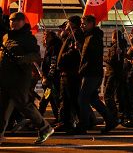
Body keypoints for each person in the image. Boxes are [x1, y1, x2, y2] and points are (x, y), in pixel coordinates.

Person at [0, 12, 54, 144]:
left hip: (20, 78)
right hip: (5, 77)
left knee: (24, 105)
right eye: (12, 20)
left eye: (17, 20)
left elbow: (35, 55)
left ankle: (45, 127)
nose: (14, 23)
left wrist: (22, 59)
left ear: (24, 22)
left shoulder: (27, 37)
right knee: (3, 106)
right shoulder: (6, 36)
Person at [77, 15, 117, 134]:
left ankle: (83, 125)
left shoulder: (94, 37)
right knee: (93, 99)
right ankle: (110, 120)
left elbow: (91, 57)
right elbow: (87, 55)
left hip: (91, 73)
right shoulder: (89, 36)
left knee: (82, 99)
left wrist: (81, 70)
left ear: (91, 24)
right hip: (92, 72)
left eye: (84, 23)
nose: (82, 26)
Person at [55, 16, 83, 133]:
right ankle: (65, 122)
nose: (66, 25)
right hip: (66, 72)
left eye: (67, 23)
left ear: (72, 24)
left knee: (72, 99)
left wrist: (62, 57)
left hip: (71, 72)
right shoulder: (70, 35)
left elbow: (73, 53)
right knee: (65, 99)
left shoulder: (76, 35)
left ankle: (79, 123)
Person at [103, 29, 127, 124]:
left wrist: (104, 58)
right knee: (117, 95)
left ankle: (113, 115)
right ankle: (116, 115)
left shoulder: (117, 47)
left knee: (108, 95)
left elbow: (112, 60)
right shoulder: (120, 46)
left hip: (113, 73)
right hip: (114, 73)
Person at [38, 30, 62, 120]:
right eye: (44, 36)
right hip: (50, 79)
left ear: (52, 37)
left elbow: (53, 63)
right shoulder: (50, 47)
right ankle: (58, 118)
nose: (44, 38)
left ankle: (38, 119)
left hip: (52, 80)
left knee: (47, 99)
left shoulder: (54, 47)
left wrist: (48, 77)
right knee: (51, 100)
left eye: (46, 36)